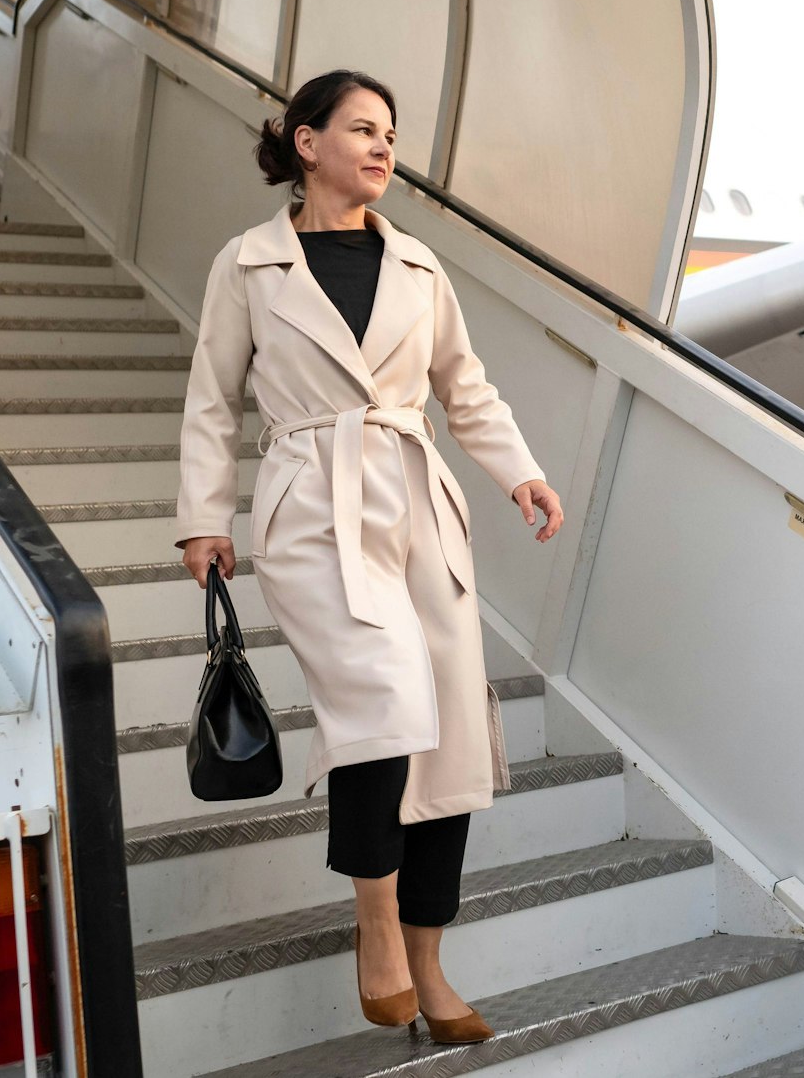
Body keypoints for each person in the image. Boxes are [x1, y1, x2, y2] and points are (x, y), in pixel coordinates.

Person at [172, 69, 566, 1045]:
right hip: (311, 497)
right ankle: (376, 923)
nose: (384, 146)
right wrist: (201, 517)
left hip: (414, 500)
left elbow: (463, 389)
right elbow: (212, 397)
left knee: (448, 745)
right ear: (306, 144)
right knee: (380, 703)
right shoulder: (248, 264)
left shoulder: (421, 269)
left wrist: (518, 472)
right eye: (362, 129)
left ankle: (430, 966)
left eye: (390, 133)